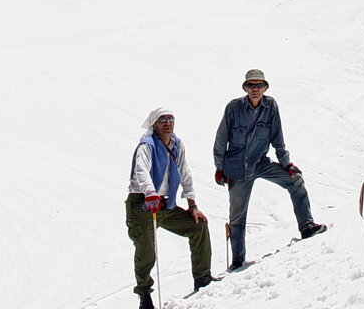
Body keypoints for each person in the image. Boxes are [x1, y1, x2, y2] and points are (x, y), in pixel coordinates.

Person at [213, 69, 326, 270]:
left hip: (260, 162)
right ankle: (238, 260)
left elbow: (277, 137)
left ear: (265, 87)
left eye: (259, 86)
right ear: (245, 88)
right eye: (251, 86)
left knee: (295, 180)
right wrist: (219, 168)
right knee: (237, 216)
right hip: (237, 168)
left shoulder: (270, 106)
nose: (255, 89)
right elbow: (221, 139)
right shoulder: (233, 108)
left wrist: (286, 163)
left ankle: (307, 226)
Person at [126, 108, 214, 309]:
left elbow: (185, 173)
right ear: (154, 124)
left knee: (197, 225)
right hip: (142, 204)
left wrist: (192, 205)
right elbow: (141, 170)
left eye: (170, 119)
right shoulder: (146, 145)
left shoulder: (177, 144)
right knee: (146, 249)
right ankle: (144, 294)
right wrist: (150, 192)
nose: (167, 123)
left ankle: (203, 278)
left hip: (163, 203)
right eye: (162, 120)